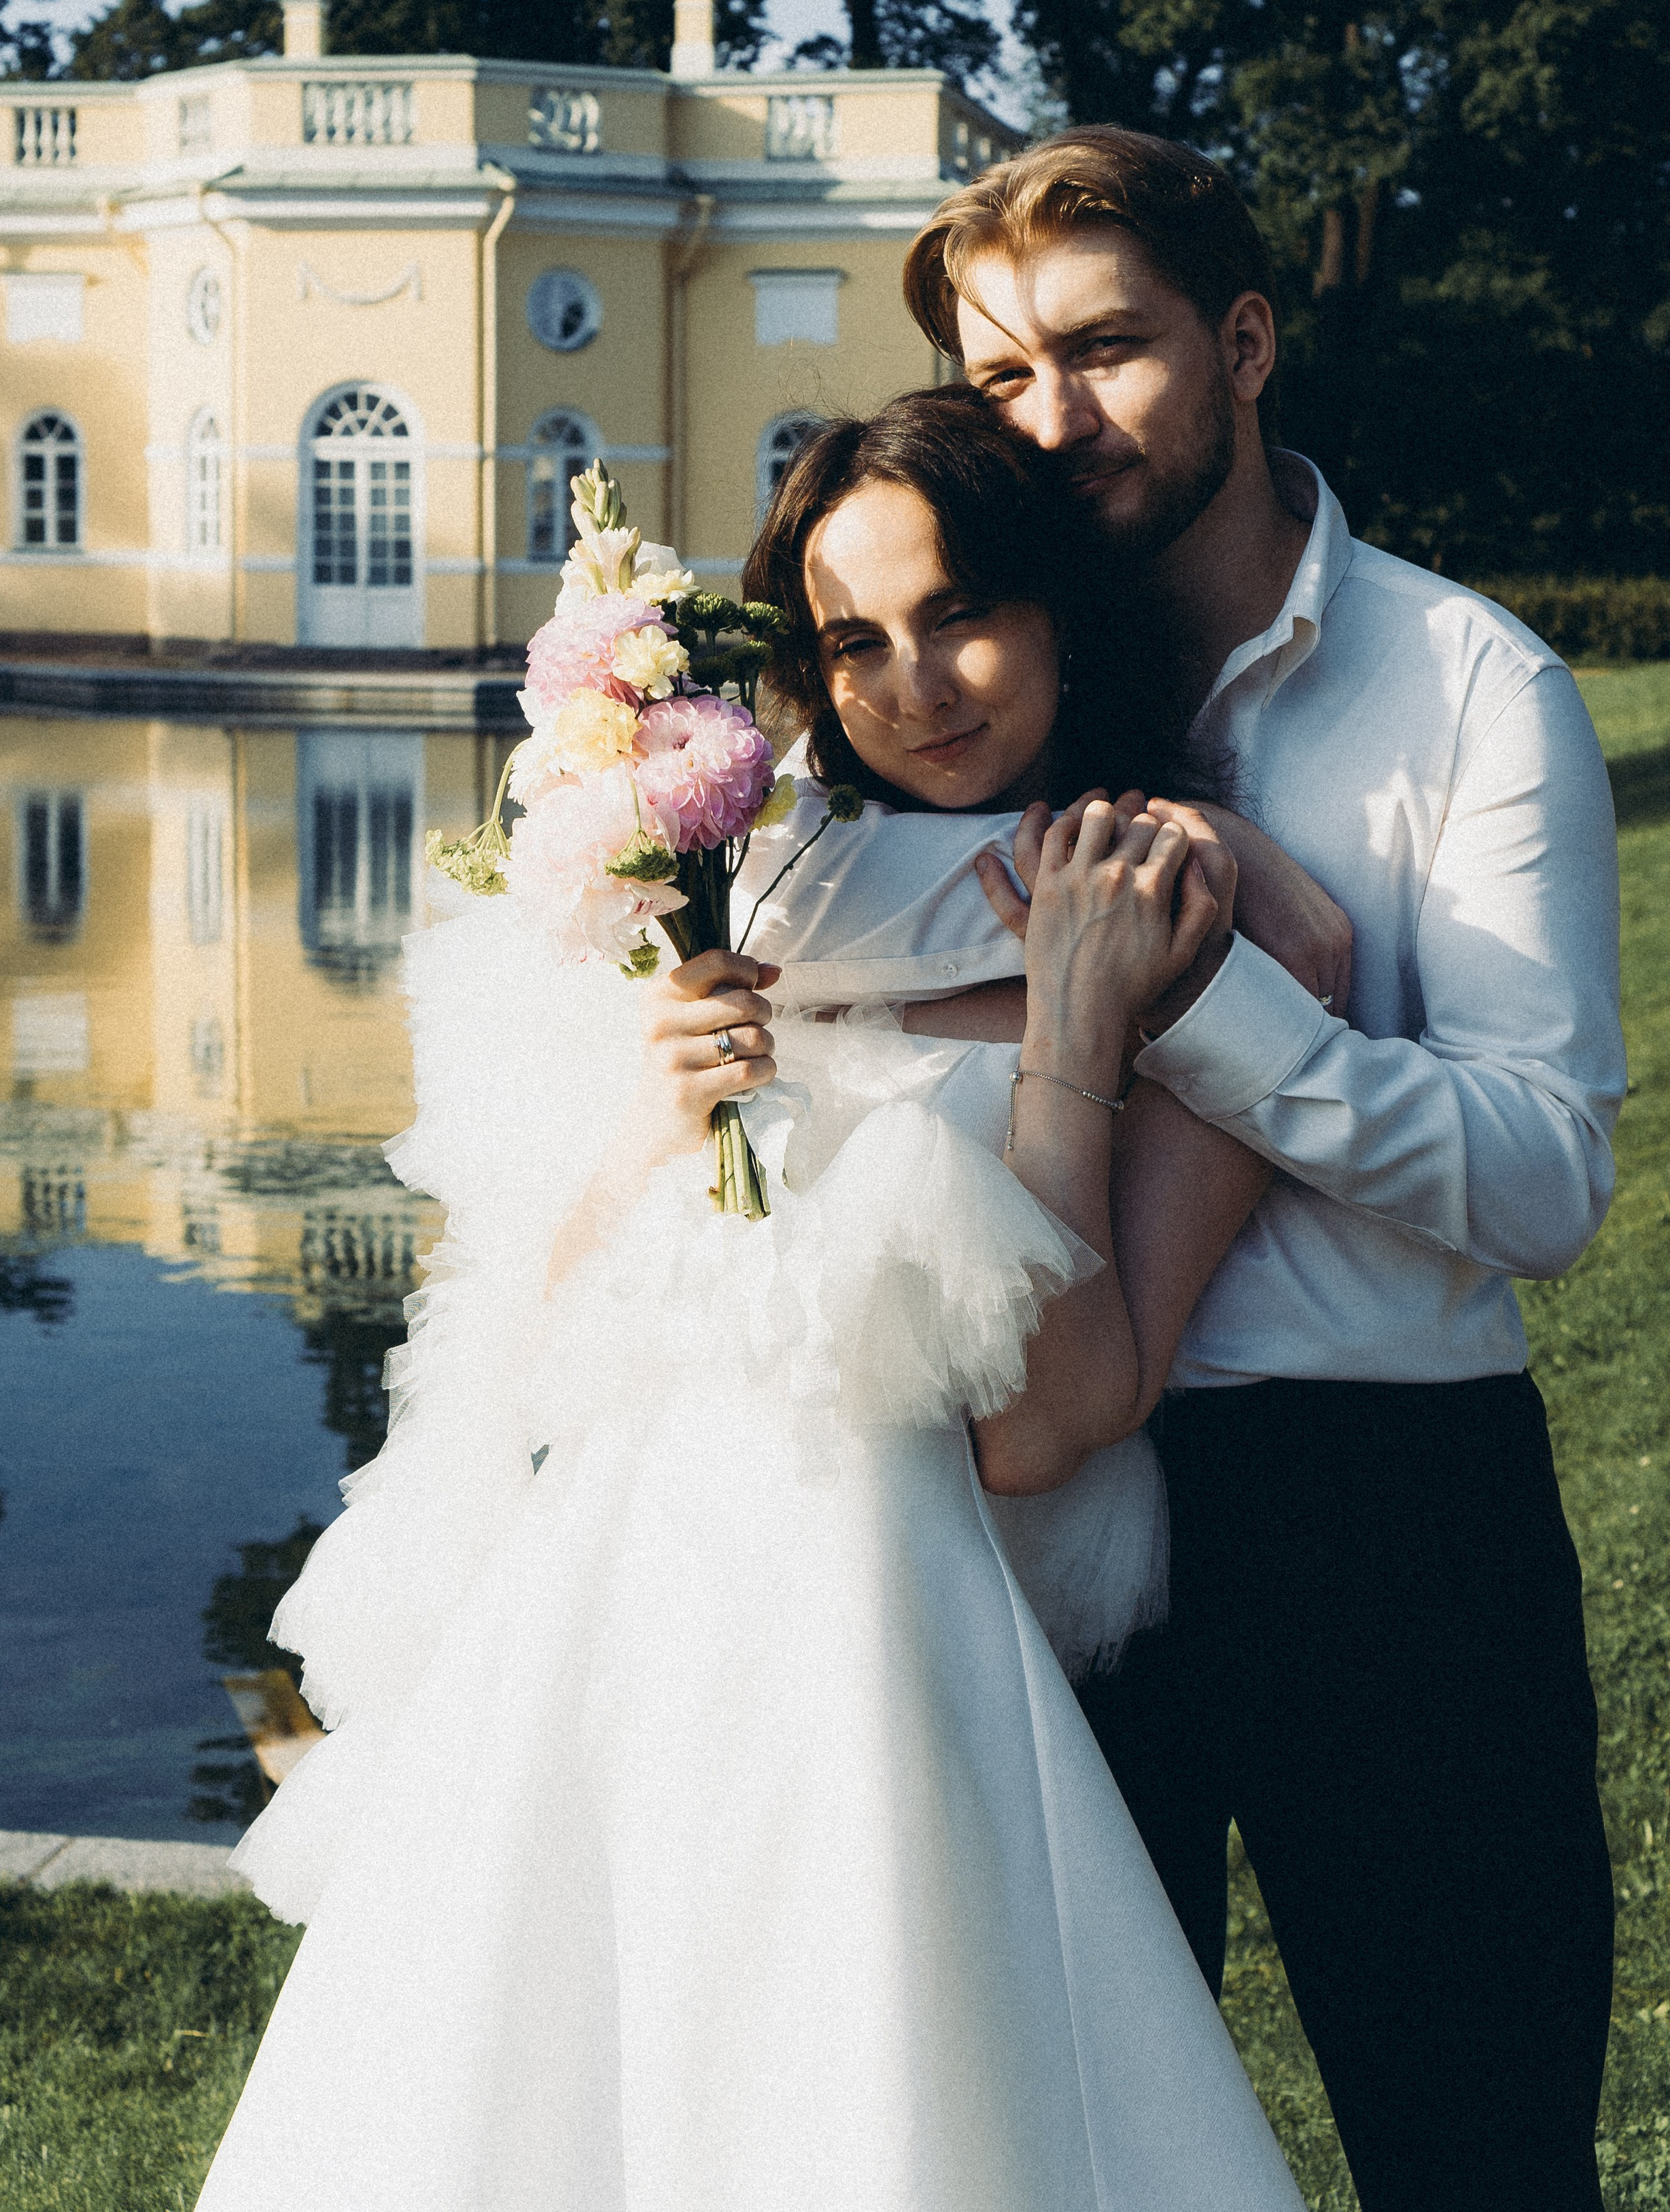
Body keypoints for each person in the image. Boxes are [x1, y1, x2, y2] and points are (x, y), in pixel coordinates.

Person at [196, 396, 1309, 2212]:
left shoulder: (1167, 941)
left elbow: (1043, 1426)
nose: (916, 685)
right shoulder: (750, 901)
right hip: (614, 1634)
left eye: (961, 614)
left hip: (885, 1660)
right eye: (854, 641)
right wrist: (655, 1117)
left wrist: (1074, 1046)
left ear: (1058, 614)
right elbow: (557, 1356)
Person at [822, 125, 1620, 2212]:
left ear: (1246, 340)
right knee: (1064, 2159)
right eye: (1004, 377)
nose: (1054, 418)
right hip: (1048, 1522)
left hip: (1389, 1515)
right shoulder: (971, 688)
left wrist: (1212, 1012)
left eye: (1110, 350)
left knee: (1476, 2153)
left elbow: (1546, 1185)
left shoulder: (1471, 688)